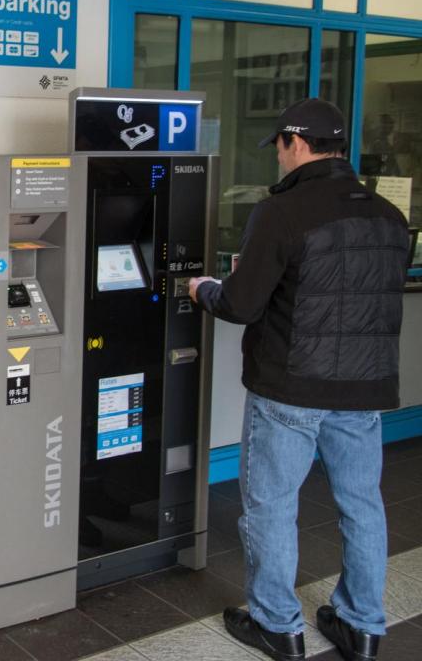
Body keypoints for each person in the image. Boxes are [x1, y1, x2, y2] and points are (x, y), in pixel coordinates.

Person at [188, 98, 410, 661]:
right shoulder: (389, 216)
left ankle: (276, 624)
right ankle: (362, 626)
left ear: (296, 143)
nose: (278, 159)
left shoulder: (282, 212)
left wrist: (204, 289)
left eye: (280, 147)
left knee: (271, 506)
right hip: (364, 391)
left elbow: (241, 304)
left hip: (290, 386)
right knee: (362, 505)